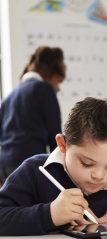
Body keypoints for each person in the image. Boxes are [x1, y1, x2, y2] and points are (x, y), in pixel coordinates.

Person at [0, 97, 107, 235]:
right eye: (87, 163)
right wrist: (50, 214)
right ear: (63, 144)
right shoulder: (34, 171)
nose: (99, 175)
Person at [0, 46, 66, 186]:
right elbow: (55, 137)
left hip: (5, 164)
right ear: (51, 74)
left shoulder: (10, 96)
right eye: (58, 80)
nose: (58, 87)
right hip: (29, 163)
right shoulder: (45, 89)